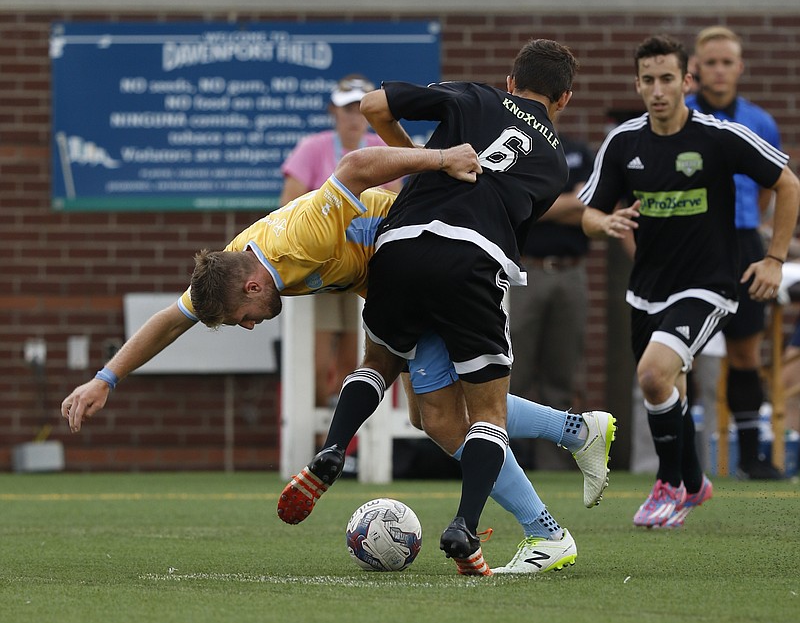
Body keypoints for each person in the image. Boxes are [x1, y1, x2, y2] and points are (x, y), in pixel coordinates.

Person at [61, 141, 615, 574]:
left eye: (241, 317)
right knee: (433, 415)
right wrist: (105, 378)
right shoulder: (234, 264)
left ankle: (545, 529)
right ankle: (577, 432)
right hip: (402, 282)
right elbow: (170, 320)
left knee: (446, 419)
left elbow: (355, 165)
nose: (249, 326)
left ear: (253, 286)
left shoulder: (296, 240)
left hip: (425, 268)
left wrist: (441, 158)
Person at [278, 39, 600, 575]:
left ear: (510, 81)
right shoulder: (553, 163)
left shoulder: (474, 96)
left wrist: (424, 164)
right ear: (564, 98)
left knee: (387, 374)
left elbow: (373, 106)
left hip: (398, 246)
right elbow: (514, 216)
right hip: (472, 262)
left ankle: (335, 447)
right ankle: (466, 525)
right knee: (480, 414)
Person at [579, 34, 799, 528]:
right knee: (667, 389)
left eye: (668, 79)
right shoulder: (624, 142)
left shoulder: (719, 137)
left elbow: (787, 182)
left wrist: (774, 258)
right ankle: (696, 482)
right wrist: (605, 223)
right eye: (649, 81)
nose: (658, 90)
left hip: (709, 283)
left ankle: (670, 485)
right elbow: (590, 213)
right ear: (638, 84)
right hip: (647, 288)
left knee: (654, 377)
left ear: (686, 81)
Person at [686, 26, 785, 479]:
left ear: (740, 68)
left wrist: (761, 241)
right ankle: (681, 461)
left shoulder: (760, 121)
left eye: (728, 62)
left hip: (744, 244)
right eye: (711, 62)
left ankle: (751, 457)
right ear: (697, 69)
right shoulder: (680, 114)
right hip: (693, 244)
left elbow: (772, 187)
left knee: (746, 354)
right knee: (681, 354)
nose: (720, 71)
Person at [280, 74, 404, 409]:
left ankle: (346, 449)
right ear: (333, 112)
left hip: (366, 269)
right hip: (320, 268)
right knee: (318, 367)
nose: (354, 118)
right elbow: (288, 206)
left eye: (360, 110)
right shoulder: (312, 147)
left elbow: (398, 205)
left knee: (358, 363)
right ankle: (321, 443)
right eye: (347, 110)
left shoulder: (383, 149)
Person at [508, 127, 594, 470]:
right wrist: (571, 201)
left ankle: (553, 465)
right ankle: (502, 460)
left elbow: (594, 207)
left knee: (562, 374)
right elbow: (521, 208)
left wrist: (547, 204)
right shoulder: (520, 147)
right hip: (527, 270)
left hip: (572, 271)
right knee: (514, 369)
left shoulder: (578, 152)